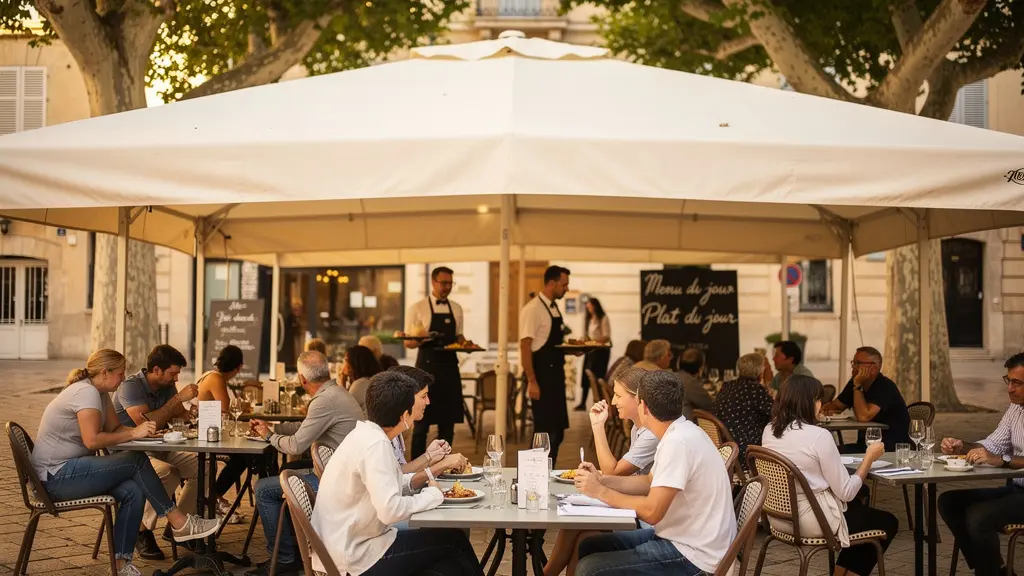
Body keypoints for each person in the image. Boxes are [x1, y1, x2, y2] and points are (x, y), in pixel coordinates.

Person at [32, 349, 220, 576]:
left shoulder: (99, 393)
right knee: (136, 460)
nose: (123, 378)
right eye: (120, 373)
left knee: (133, 490)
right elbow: (91, 440)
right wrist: (133, 434)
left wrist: (141, 432)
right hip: (54, 478)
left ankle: (122, 564)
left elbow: (116, 428)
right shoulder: (85, 393)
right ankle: (179, 523)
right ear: (104, 372)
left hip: (72, 469)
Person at [310, 371, 483, 576]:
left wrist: (426, 478)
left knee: (448, 563)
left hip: (346, 545)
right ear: (404, 415)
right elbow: (390, 511)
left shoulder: (366, 434)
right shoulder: (376, 445)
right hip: (354, 556)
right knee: (454, 542)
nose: (426, 403)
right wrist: (433, 495)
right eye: (419, 400)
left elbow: (390, 482)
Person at [572, 370, 736, 576]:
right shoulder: (679, 432)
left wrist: (600, 492)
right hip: (683, 538)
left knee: (591, 569)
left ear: (644, 407)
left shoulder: (678, 443)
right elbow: (649, 482)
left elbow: (652, 512)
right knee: (589, 546)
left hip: (695, 554)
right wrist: (602, 480)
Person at [761, 374, 898, 576]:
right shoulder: (819, 436)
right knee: (887, 522)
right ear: (807, 402)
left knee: (859, 509)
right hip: (812, 519)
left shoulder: (769, 430)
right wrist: (869, 458)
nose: (821, 404)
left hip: (780, 517)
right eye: (818, 399)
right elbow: (847, 492)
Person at [245, 350, 364, 576]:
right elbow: (304, 429)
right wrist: (273, 428)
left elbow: (295, 446)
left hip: (339, 482)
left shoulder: (324, 401)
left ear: (302, 379)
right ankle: (295, 548)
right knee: (284, 473)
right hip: (342, 472)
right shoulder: (336, 392)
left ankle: (284, 559)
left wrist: (268, 436)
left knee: (262, 489)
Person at [544, 365, 658, 576]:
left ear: (638, 398)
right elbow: (619, 475)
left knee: (583, 534)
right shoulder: (638, 427)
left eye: (618, 396)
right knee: (579, 531)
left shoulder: (651, 434)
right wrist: (599, 477)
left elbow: (614, 472)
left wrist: (597, 427)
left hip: (641, 519)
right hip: (632, 506)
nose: (613, 401)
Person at [938, 353, 1024, 576]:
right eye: (1008, 381)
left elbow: (998, 457)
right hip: (1015, 490)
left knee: (978, 516)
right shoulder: (1016, 408)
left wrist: (1002, 461)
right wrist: (962, 446)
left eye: (1017, 383)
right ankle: (997, 569)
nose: (1010, 389)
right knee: (949, 501)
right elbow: (992, 445)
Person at [112, 345, 199, 560]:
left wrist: (192, 413)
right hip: (131, 454)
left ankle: (179, 526)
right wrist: (178, 400)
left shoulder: (167, 387)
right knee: (168, 472)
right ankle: (141, 529)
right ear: (157, 370)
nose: (176, 379)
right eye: (173, 373)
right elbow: (146, 424)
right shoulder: (130, 387)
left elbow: (179, 416)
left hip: (162, 447)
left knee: (203, 465)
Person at [404, 266, 466, 458]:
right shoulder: (417, 308)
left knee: (448, 427)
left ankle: (445, 466)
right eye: (444, 283)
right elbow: (408, 342)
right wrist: (423, 339)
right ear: (433, 282)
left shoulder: (456, 308)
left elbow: (459, 337)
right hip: (426, 370)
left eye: (450, 283)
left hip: (449, 370)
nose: (447, 287)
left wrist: (465, 344)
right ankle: (415, 470)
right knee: (421, 426)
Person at [197, 344, 262, 519]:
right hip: (208, 435)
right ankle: (215, 497)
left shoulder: (211, 375)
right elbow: (226, 411)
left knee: (249, 455)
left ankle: (215, 496)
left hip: (213, 432)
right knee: (245, 456)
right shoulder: (216, 378)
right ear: (239, 367)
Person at [520, 265, 572, 464]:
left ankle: (548, 472)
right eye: (564, 284)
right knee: (544, 432)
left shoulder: (553, 306)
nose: (566, 288)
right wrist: (532, 380)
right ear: (552, 283)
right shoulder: (533, 309)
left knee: (558, 430)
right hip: (541, 376)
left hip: (556, 375)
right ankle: (532, 474)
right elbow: (525, 346)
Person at [821, 346, 911, 451]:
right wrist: (827, 408)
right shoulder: (855, 383)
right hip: (867, 444)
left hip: (890, 446)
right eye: (853, 363)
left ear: (874, 368)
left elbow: (864, 416)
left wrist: (857, 386)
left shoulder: (885, 386)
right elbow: (837, 405)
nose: (853, 367)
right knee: (829, 450)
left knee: (833, 452)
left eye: (858, 363)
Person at [712, 353, 773, 462]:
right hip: (746, 450)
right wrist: (767, 383)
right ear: (760, 370)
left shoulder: (727, 385)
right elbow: (778, 414)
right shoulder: (756, 390)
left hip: (725, 447)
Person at [575, 297, 612, 411]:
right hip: (590, 350)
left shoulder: (603, 318)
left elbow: (606, 336)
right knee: (586, 376)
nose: (589, 309)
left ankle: (601, 403)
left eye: (590, 306)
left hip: (600, 352)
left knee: (598, 377)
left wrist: (595, 342)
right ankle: (583, 402)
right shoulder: (589, 319)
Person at [340, 344, 382, 413]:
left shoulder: (360, 384)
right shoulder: (370, 380)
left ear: (352, 363)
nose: (343, 363)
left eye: (345, 360)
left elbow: (343, 410)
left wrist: (342, 381)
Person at [675, 347, 713, 421]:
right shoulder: (691, 383)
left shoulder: (671, 376)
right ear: (700, 367)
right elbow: (710, 405)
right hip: (685, 427)